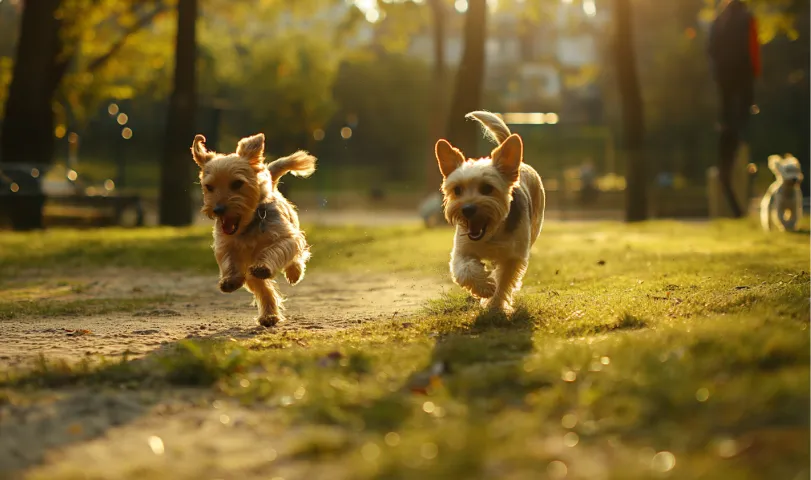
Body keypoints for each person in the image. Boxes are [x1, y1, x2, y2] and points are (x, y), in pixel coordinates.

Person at [707, 0, 760, 218]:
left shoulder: (718, 20)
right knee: (741, 126)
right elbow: (754, 51)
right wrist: (755, 76)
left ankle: (727, 164)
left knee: (728, 125)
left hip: (724, 84)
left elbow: (710, 50)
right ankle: (735, 161)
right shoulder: (747, 18)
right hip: (743, 82)